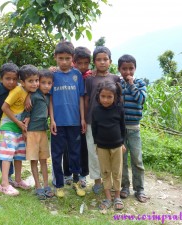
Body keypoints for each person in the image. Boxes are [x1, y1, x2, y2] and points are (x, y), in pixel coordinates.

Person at [49, 41, 86, 197]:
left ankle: (77, 182)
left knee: (75, 153)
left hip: (75, 122)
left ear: (72, 59)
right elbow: (50, 99)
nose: (64, 62)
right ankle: (59, 184)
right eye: (61, 58)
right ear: (55, 57)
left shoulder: (77, 75)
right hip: (58, 123)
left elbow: (81, 98)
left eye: (67, 58)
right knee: (57, 154)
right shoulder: (51, 75)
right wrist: (52, 120)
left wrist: (82, 119)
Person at [0, 64, 39, 196]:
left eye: (36, 80)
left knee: (19, 154)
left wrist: (23, 125)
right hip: (8, 126)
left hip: (19, 127)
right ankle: (4, 184)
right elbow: (4, 107)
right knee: (7, 154)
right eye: (31, 81)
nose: (34, 84)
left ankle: (18, 180)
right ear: (23, 82)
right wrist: (18, 123)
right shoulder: (17, 90)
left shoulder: (31, 92)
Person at [84, 46, 120, 194]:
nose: (102, 62)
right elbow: (86, 100)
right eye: (98, 59)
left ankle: (110, 182)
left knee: (110, 153)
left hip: (110, 123)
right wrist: (84, 119)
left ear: (110, 61)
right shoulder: (90, 79)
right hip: (92, 122)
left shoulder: (115, 79)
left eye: (105, 59)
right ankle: (97, 181)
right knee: (93, 152)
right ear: (94, 62)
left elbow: (118, 102)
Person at [118, 54, 147, 203]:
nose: (128, 72)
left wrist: (131, 84)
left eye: (131, 68)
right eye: (124, 69)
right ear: (119, 69)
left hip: (134, 128)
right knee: (121, 159)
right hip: (120, 129)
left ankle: (139, 189)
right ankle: (124, 187)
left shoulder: (140, 83)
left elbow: (140, 99)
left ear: (135, 68)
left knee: (137, 159)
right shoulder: (118, 84)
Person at [92, 81, 126, 210]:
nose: (105, 100)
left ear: (115, 97)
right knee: (105, 172)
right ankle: (108, 198)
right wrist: (97, 144)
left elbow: (123, 128)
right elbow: (94, 129)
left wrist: (122, 142)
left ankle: (117, 196)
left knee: (117, 172)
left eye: (109, 97)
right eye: (103, 96)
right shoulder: (96, 110)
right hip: (101, 147)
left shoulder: (119, 109)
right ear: (98, 96)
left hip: (117, 146)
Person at [22, 69, 54, 200]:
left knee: (44, 160)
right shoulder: (32, 96)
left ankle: (46, 185)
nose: (46, 85)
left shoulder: (48, 96)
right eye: (43, 83)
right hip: (31, 132)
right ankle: (37, 186)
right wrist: (25, 131)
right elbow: (26, 114)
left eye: (49, 83)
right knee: (34, 160)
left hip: (43, 132)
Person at [63, 46, 91, 188]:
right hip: (69, 117)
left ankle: (82, 175)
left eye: (86, 63)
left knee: (83, 148)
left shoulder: (90, 76)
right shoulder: (67, 74)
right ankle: (67, 174)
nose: (82, 66)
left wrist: (84, 118)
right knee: (68, 147)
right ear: (73, 61)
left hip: (85, 118)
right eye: (79, 63)